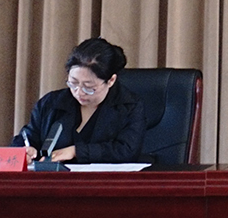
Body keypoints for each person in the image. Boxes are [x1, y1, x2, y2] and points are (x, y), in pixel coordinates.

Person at [12, 37, 149, 164]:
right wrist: (25, 151)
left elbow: (126, 151)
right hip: (54, 179)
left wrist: (76, 151)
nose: (79, 92)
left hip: (104, 181)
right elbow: (27, 138)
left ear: (111, 80)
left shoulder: (129, 106)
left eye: (88, 87)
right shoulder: (51, 103)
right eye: (73, 83)